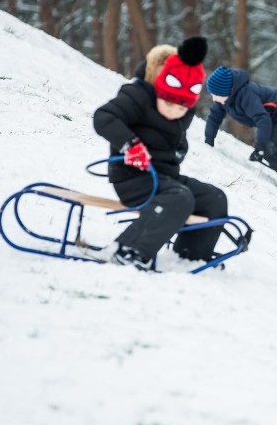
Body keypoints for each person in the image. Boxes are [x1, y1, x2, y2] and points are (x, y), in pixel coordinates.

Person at [93, 36, 229, 271]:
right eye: (169, 104)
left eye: (182, 108)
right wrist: (130, 145)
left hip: (166, 179)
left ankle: (191, 255)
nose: (175, 112)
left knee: (214, 198)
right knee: (180, 197)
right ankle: (128, 249)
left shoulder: (182, 107)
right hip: (133, 178)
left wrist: (178, 151)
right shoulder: (136, 96)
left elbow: (173, 140)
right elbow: (104, 118)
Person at [203, 66, 277, 192]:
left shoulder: (246, 95)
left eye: (216, 94)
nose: (214, 99)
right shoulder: (223, 100)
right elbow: (214, 117)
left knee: (270, 149)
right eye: (212, 94)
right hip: (274, 118)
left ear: (228, 90)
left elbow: (262, 118)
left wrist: (260, 146)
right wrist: (209, 139)